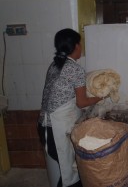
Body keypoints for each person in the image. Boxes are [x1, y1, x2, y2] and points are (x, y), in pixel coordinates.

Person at [37, 28, 103, 187]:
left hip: (47, 126)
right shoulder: (75, 69)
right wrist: (101, 97)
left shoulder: (54, 65)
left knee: (69, 171)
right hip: (54, 128)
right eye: (80, 43)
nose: (81, 47)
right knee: (68, 175)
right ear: (75, 46)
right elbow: (81, 102)